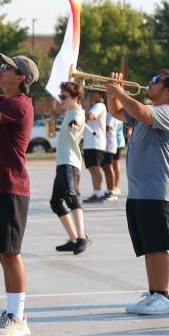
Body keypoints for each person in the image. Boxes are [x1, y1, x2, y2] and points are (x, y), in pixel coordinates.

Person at [107, 70, 169, 316]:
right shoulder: (147, 112)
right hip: (141, 192)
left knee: (158, 246)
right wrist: (113, 94)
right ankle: (154, 293)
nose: (148, 83)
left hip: (159, 191)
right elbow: (117, 112)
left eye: (155, 81)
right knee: (148, 246)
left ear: (168, 91)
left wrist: (119, 92)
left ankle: (163, 295)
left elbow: (141, 111)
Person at [0, 53, 39, 336]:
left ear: (21, 78)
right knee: (4, 252)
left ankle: (18, 316)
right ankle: (11, 311)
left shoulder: (19, 105)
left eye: (7, 68)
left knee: (11, 253)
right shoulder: (6, 101)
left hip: (11, 188)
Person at [52, 81, 88, 254]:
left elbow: (78, 121)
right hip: (62, 163)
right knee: (56, 203)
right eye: (60, 96)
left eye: (64, 97)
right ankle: (74, 239)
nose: (61, 99)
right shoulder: (69, 111)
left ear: (76, 98)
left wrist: (74, 123)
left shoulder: (77, 113)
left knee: (71, 198)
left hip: (69, 163)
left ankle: (81, 238)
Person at [81, 90, 109, 203]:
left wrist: (78, 109)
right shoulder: (96, 106)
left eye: (94, 93)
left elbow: (91, 116)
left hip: (95, 142)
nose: (92, 94)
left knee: (95, 169)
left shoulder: (100, 106)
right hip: (90, 143)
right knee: (92, 168)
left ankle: (98, 193)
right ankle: (96, 192)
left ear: (100, 95)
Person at [103, 111, 120, 199]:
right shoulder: (109, 113)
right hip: (107, 144)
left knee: (108, 167)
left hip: (109, 144)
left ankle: (111, 190)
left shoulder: (111, 114)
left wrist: (97, 129)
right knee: (106, 168)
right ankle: (110, 189)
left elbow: (107, 127)